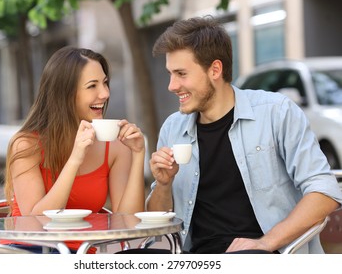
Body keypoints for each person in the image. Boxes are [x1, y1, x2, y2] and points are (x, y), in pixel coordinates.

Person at [146, 15, 342, 254]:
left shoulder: (277, 113)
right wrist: (164, 185)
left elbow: (324, 190)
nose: (172, 85)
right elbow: (158, 225)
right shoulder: (172, 128)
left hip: (264, 256)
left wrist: (265, 243)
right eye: (170, 74)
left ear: (215, 69)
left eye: (181, 74)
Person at [3, 46, 146, 253]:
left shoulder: (115, 147)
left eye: (105, 83)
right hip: (29, 250)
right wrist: (75, 159)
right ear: (65, 93)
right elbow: (37, 222)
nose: (105, 93)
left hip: (81, 255)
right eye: (92, 86)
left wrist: (138, 153)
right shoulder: (26, 145)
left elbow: (128, 223)